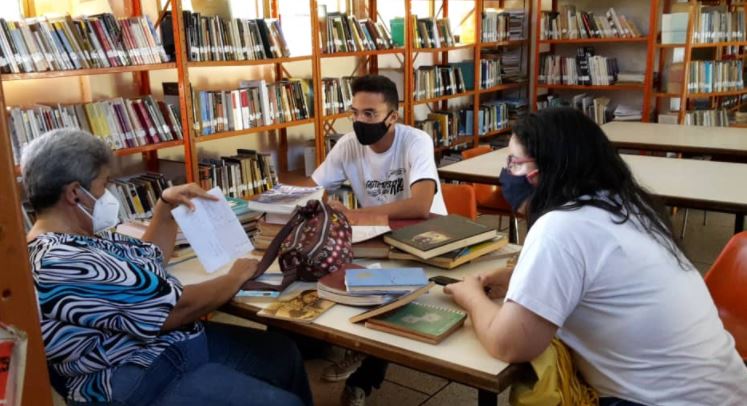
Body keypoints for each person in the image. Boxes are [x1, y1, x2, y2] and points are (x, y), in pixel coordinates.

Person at [444, 108, 747, 405]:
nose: (507, 173)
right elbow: (595, 273)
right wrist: (516, 279)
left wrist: (471, 297)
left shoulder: (560, 226)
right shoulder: (624, 206)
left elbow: (508, 344)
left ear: (540, 172)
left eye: (513, 162)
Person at [23, 129, 313, 405]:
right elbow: (175, 309)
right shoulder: (60, 261)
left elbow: (149, 263)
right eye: (104, 184)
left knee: (282, 354)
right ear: (75, 193)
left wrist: (165, 209)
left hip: (166, 349)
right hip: (136, 378)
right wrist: (237, 276)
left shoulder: (78, 239)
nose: (110, 193)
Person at [311, 74, 447, 405]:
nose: (359, 121)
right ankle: (353, 346)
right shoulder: (348, 145)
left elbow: (420, 204)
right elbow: (314, 190)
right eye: (354, 112)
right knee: (334, 275)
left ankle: (363, 377)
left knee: (385, 294)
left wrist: (357, 215)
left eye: (369, 114)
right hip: (378, 235)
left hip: (427, 235)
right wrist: (323, 204)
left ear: (393, 117)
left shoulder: (415, 141)